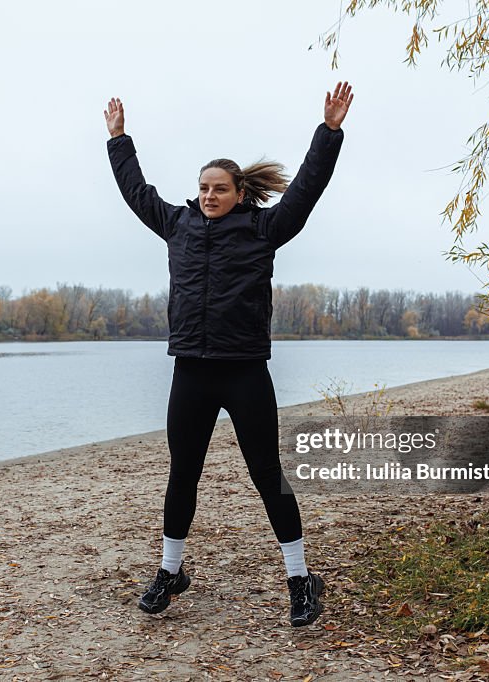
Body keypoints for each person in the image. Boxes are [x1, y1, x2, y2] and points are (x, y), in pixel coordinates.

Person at [104, 82, 353, 627]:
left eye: (218, 188)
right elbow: (136, 191)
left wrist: (329, 132)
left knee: (268, 475)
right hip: (190, 372)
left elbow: (306, 190)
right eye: (202, 188)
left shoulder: (263, 229)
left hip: (244, 375)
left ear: (239, 191)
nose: (208, 196)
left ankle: (299, 578)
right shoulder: (178, 225)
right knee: (182, 474)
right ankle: (171, 572)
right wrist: (119, 140)